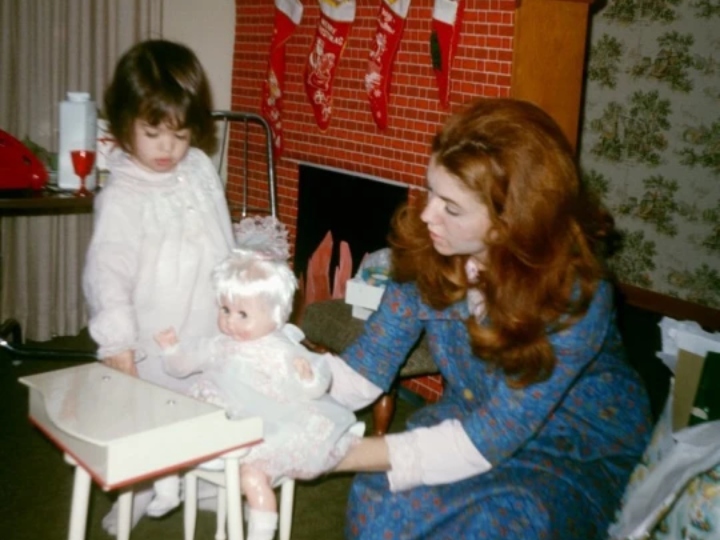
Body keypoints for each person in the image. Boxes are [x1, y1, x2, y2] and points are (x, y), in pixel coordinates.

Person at [324, 97, 654, 539]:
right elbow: (364, 369)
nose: (426, 215)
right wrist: (279, 384)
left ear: (511, 221)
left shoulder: (573, 298)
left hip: (573, 445)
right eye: (430, 191)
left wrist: (332, 453)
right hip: (475, 415)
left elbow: (486, 440)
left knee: (497, 525)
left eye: (451, 207)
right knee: (380, 501)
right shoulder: (432, 249)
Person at [82, 39, 234, 532]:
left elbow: (222, 232)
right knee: (149, 419)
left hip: (205, 318)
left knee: (209, 402)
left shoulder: (200, 170)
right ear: (125, 126)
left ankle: (202, 478)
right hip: (152, 331)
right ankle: (142, 487)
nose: (168, 148)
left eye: (181, 134)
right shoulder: (123, 195)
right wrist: (117, 340)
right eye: (153, 133)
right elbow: (108, 273)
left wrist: (235, 295)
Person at [154, 216, 361, 540]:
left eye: (243, 315)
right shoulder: (219, 343)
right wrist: (172, 351)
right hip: (220, 417)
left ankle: (261, 533)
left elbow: (315, 383)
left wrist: (307, 378)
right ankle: (167, 488)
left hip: (266, 422)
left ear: (275, 316)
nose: (230, 323)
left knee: (254, 477)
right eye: (225, 310)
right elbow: (182, 366)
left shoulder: (280, 348)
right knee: (170, 424)